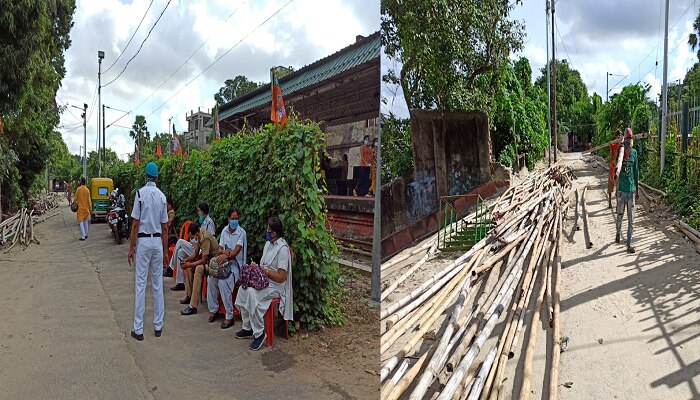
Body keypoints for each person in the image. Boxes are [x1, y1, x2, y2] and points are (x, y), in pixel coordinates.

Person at [235, 216, 293, 351]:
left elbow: (281, 277)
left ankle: (259, 333)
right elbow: (263, 265)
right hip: (263, 280)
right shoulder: (268, 244)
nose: (266, 232)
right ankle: (247, 327)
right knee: (244, 288)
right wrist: (256, 268)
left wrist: (265, 272)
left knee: (251, 293)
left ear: (275, 232)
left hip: (276, 286)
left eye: (268, 230)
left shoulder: (283, 249)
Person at [127, 162, 169, 341]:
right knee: (158, 284)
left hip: (143, 242)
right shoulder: (162, 197)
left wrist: (131, 248)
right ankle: (158, 326)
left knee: (141, 284)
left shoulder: (139, 194)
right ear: (157, 178)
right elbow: (165, 227)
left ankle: (139, 329)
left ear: (145, 176)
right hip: (157, 242)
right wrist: (166, 251)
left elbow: (135, 224)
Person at [206, 207, 247, 329]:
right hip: (224, 261)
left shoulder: (241, 232)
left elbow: (236, 252)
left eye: (236, 218)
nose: (235, 221)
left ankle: (229, 316)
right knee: (211, 278)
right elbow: (220, 248)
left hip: (236, 265)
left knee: (224, 282)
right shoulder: (224, 231)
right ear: (228, 219)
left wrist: (226, 253)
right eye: (232, 218)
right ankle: (214, 310)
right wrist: (222, 252)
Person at [168, 201, 215, 290]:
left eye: (199, 210)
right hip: (197, 247)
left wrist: (198, 245)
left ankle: (171, 267)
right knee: (180, 252)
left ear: (202, 211)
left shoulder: (209, 223)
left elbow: (210, 239)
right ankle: (181, 282)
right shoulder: (204, 222)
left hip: (202, 252)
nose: (198, 212)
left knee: (180, 242)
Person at [180, 222, 219, 315]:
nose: (191, 239)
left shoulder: (205, 238)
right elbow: (195, 254)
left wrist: (189, 264)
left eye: (192, 237)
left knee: (198, 269)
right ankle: (189, 296)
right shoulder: (198, 237)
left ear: (196, 234)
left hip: (214, 264)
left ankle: (193, 306)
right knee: (189, 268)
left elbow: (203, 261)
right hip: (207, 261)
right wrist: (186, 260)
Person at [615, 128, 640, 254]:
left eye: (630, 139)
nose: (629, 142)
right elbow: (616, 170)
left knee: (631, 218)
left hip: (631, 191)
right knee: (620, 215)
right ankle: (618, 232)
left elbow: (636, 171)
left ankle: (629, 242)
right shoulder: (620, 151)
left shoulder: (634, 153)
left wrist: (637, 188)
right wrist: (616, 189)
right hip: (621, 190)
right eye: (627, 139)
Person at [607, 129, 623, 208]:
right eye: (617, 135)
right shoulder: (613, 145)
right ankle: (609, 202)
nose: (619, 136)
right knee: (610, 185)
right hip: (613, 166)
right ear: (616, 136)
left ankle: (617, 205)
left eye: (620, 135)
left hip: (619, 167)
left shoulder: (623, 146)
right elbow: (612, 155)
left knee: (618, 186)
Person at [163, 197, 177, 277]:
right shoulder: (168, 212)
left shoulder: (171, 213)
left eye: (167, 205)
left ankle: (166, 265)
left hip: (169, 235)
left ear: (170, 205)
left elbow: (169, 224)